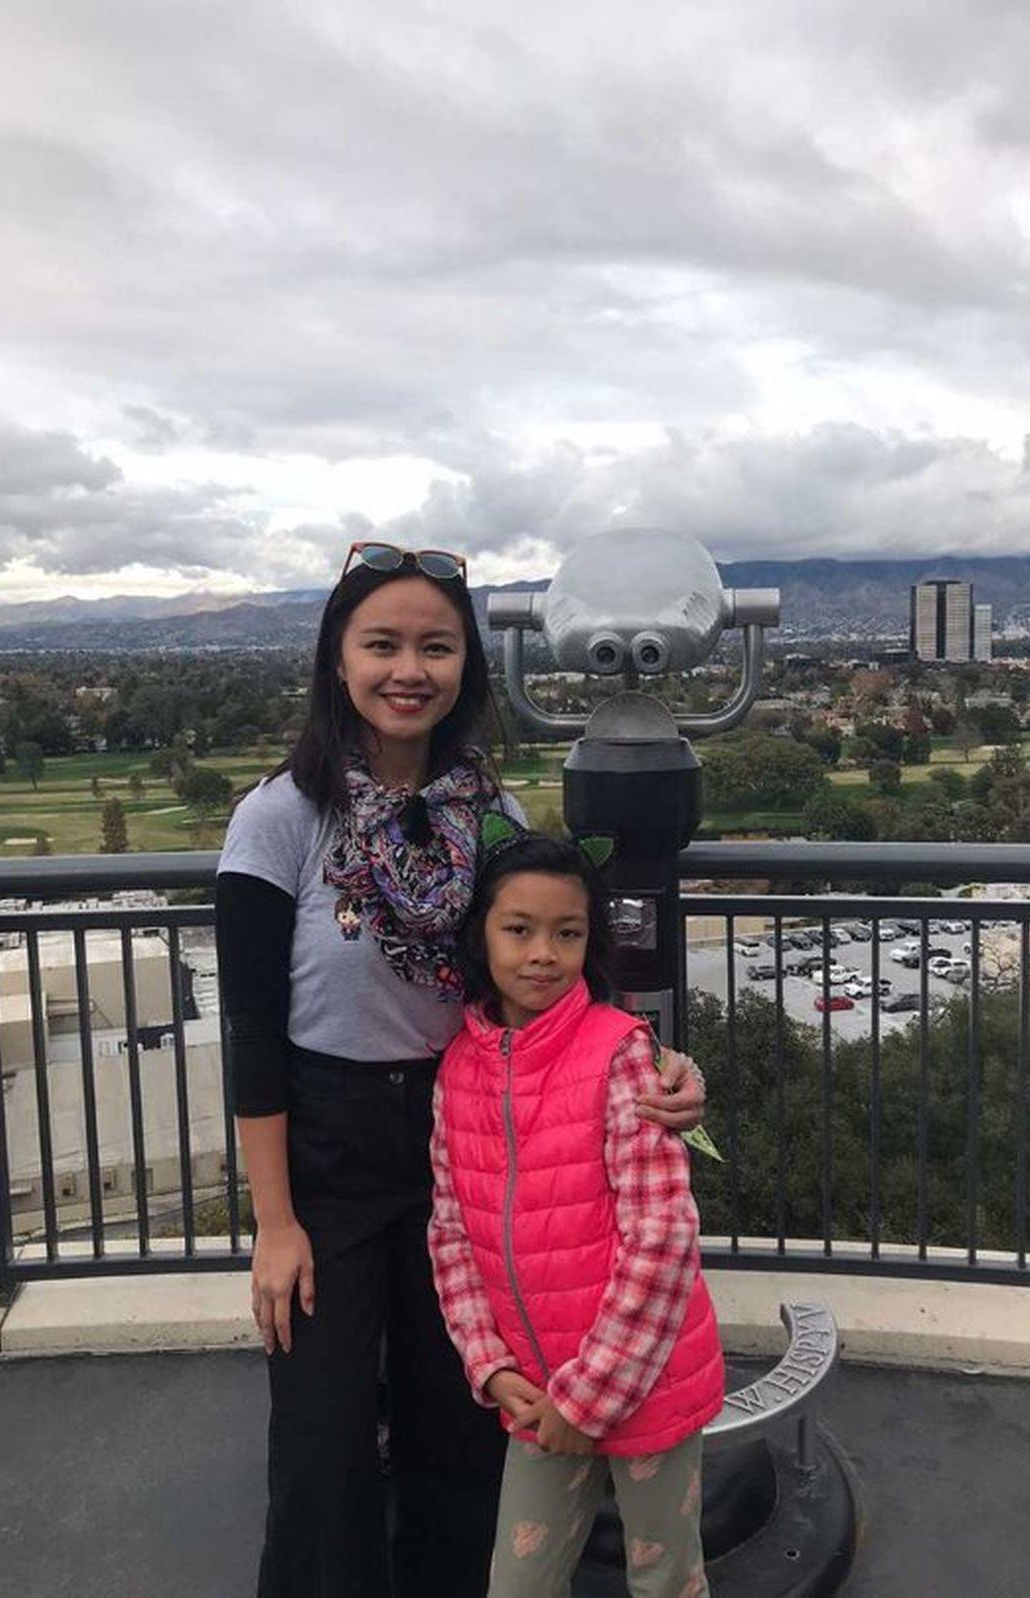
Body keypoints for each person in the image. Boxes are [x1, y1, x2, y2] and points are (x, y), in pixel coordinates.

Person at [214, 541, 708, 1598]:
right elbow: (252, 1028)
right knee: (325, 1434)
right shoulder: (280, 819)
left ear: (465, 668)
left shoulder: (495, 823)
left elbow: (555, 985)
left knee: (462, 1420)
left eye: (435, 646)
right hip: (325, 1146)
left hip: (469, 1142)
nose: (409, 669)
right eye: (381, 643)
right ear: (336, 660)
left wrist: (662, 1073)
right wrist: (275, 1221)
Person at [428, 828, 724, 1598]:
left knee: (665, 1577)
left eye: (567, 933)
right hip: (533, 1389)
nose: (541, 955)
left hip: (643, 1385)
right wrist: (487, 1366)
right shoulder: (459, 1067)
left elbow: (662, 1238)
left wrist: (588, 1397)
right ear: (480, 935)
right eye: (517, 930)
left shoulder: (620, 1052)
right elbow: (450, 1229)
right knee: (519, 1581)